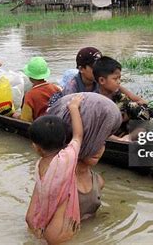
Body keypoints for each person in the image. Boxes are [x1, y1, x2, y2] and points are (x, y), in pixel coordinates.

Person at [48, 92, 122, 221]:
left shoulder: (98, 182)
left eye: (103, 141)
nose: (99, 148)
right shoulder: (57, 179)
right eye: (95, 140)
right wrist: (73, 109)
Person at [26, 95, 84, 244]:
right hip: (60, 223)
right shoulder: (67, 158)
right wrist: (73, 108)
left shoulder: (40, 164)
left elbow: (38, 192)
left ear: (36, 147)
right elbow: (78, 136)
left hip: (39, 216)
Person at [93, 56, 153, 141]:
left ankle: (126, 139)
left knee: (147, 124)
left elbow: (142, 105)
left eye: (119, 78)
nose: (119, 82)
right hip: (106, 136)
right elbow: (96, 130)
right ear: (102, 81)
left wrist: (129, 116)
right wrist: (119, 140)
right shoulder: (95, 101)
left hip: (124, 133)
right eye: (115, 79)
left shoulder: (121, 96)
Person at [62, 47, 147, 104]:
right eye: (94, 67)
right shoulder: (71, 88)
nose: (98, 69)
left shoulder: (101, 79)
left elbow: (137, 99)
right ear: (81, 69)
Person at [17, 57, 61, 122]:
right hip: (56, 122)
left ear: (30, 76)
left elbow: (25, 119)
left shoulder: (30, 95)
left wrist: (17, 116)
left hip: (39, 125)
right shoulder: (55, 88)